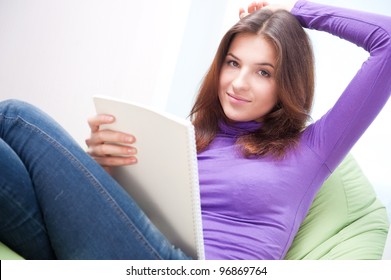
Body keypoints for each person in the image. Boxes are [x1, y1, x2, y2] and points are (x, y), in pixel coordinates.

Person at [0, 0, 390, 260]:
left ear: (287, 83)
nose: (238, 83)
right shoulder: (186, 137)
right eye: (233, 63)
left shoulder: (311, 151)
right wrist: (104, 169)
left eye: (263, 72)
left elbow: (387, 41)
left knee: (15, 117)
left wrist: (293, 10)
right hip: (137, 255)